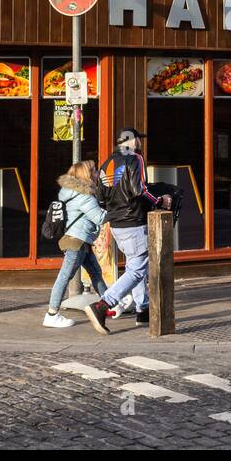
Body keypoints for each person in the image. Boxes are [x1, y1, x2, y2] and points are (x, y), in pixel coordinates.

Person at [85, 128, 171, 334]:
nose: (140, 143)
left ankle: (143, 310)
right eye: (138, 139)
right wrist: (160, 200)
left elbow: (101, 198)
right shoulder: (135, 159)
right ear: (131, 141)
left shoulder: (107, 163)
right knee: (137, 269)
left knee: (135, 264)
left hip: (116, 225)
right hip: (134, 221)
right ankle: (103, 305)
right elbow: (139, 189)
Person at [43, 160, 110, 329]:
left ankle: (110, 303)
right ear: (86, 175)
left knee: (96, 273)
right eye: (93, 170)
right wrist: (118, 210)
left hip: (81, 240)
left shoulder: (72, 193)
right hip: (77, 241)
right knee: (64, 277)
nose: (96, 173)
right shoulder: (83, 195)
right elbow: (100, 218)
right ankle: (52, 314)